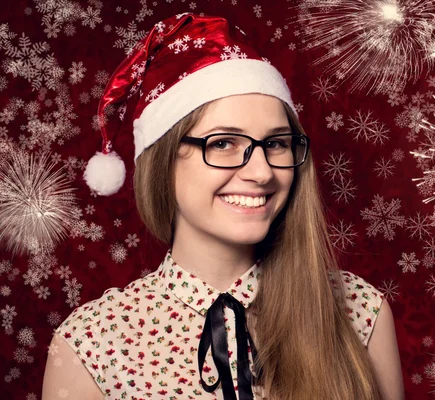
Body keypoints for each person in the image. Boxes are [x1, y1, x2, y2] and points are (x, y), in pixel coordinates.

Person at [41, 13, 404, 400]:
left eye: (277, 143)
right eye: (222, 143)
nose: (262, 172)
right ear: (162, 159)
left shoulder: (360, 312)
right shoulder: (92, 344)